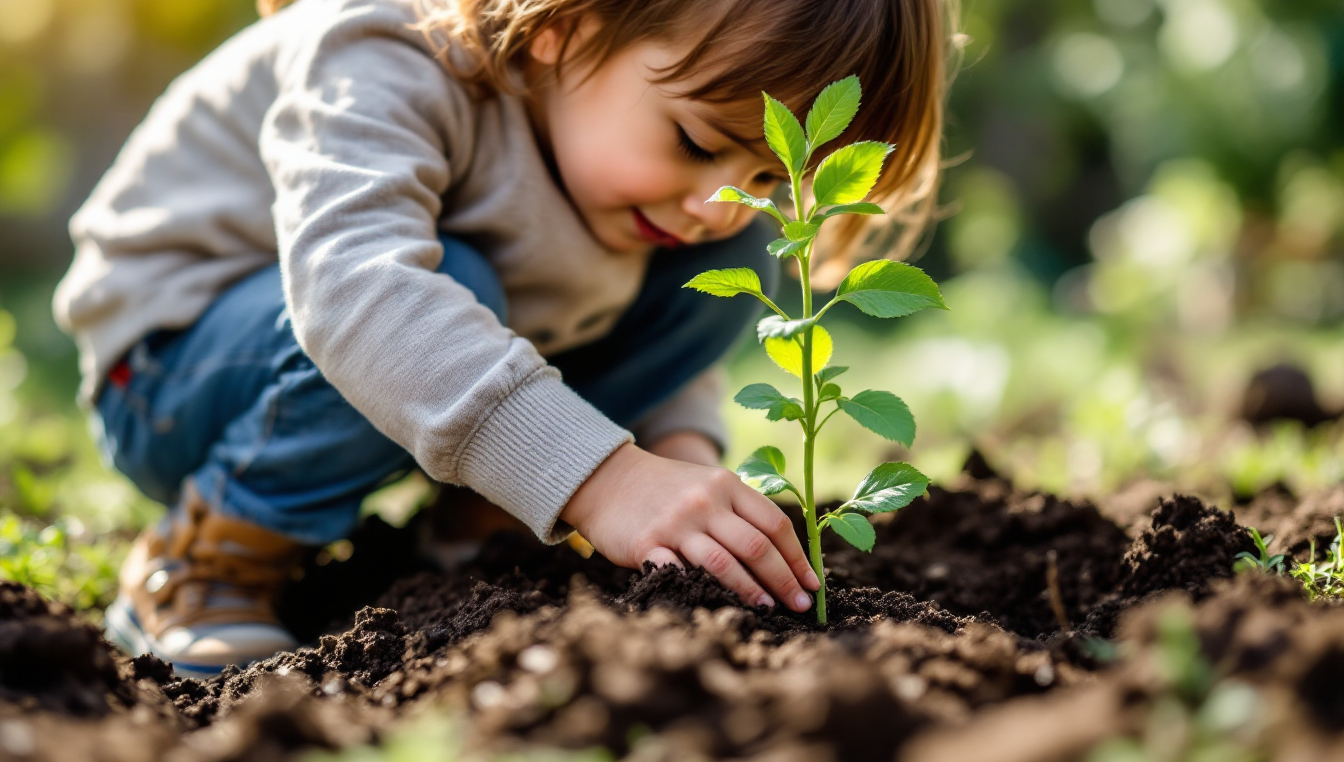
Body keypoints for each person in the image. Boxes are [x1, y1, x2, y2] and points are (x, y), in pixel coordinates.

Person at [54, 0, 952, 677]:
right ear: (567, 22)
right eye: (693, 140)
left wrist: (675, 455)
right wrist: (605, 479)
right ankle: (208, 558)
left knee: (734, 262)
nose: (719, 197)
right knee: (441, 287)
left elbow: (646, 332)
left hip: (372, 372)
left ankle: (482, 531)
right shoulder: (389, 47)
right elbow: (352, 291)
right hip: (175, 373)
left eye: (765, 172)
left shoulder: (643, 185)